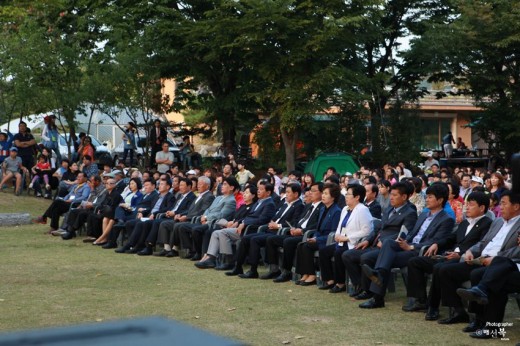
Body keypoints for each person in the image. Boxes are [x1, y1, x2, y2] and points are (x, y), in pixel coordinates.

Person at [359, 183, 454, 309]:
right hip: (407, 245)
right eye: (427, 196)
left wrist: (411, 247)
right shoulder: (424, 215)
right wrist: (403, 242)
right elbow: (411, 234)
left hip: (419, 251)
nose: (426, 199)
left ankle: (377, 295)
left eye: (430, 197)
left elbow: (435, 241)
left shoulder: (446, 219)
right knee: (387, 244)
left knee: (384, 259)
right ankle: (379, 277)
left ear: (440, 200)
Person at [435, 190, 520, 325]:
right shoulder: (498, 222)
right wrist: (470, 251)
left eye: (504, 204)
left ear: (516, 206)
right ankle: (459, 311)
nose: (500, 207)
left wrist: (496, 257)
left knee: (477, 274)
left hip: (500, 263)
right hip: (481, 259)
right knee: (445, 270)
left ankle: (479, 319)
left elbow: (517, 250)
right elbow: (483, 242)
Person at [404, 192, 492, 318]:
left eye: (470, 205)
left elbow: (481, 245)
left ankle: (435, 306)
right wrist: (437, 244)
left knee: (440, 268)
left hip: (464, 259)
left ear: (482, 208)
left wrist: (459, 254)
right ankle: (420, 300)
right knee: (415, 261)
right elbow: (451, 238)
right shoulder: (465, 222)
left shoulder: (486, 224)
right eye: (466, 204)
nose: (466, 207)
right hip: (449, 255)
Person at [342, 182, 418, 300]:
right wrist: (367, 240)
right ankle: (361, 286)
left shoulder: (410, 213)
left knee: (366, 258)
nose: (391, 198)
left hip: (389, 247)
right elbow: (379, 228)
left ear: (404, 197)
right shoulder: (389, 210)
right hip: (375, 243)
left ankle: (368, 291)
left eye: (395, 195)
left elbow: (405, 234)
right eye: (391, 194)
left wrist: (386, 240)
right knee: (348, 255)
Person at [234, 183, 304, 279]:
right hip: (271, 230)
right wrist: (272, 222)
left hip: (281, 232)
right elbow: (275, 217)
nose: (285, 194)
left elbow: (294, 223)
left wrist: (278, 225)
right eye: (285, 192)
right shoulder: (285, 204)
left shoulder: (299, 205)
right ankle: (238, 266)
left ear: (296, 194)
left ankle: (255, 270)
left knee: (255, 240)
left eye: (288, 192)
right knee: (246, 238)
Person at [264, 182, 324, 283]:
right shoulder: (309, 205)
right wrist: (293, 228)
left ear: (322, 193)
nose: (310, 193)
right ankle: (274, 269)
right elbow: (298, 220)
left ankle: (286, 271)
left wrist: (301, 231)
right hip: (296, 231)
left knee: (288, 242)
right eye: (310, 191)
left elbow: (317, 225)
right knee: (271, 239)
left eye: (314, 191)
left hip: (307, 234)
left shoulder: (322, 207)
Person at [318, 184, 373, 293]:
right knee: (324, 251)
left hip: (354, 243)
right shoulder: (345, 209)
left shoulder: (362, 210)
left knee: (339, 253)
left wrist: (347, 238)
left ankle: (341, 283)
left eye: (348, 194)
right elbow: (340, 226)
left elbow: (367, 230)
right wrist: (337, 235)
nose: (346, 196)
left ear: (357, 197)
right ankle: (330, 280)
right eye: (346, 194)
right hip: (342, 241)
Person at [195, 185, 258, 269]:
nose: (244, 195)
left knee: (221, 232)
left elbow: (247, 218)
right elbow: (235, 218)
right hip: (232, 227)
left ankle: (228, 261)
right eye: (244, 193)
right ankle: (211, 258)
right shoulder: (242, 206)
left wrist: (236, 222)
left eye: (247, 193)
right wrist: (230, 222)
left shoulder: (253, 206)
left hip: (242, 230)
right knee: (215, 232)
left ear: (253, 195)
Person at [223, 181, 277, 276]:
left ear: (268, 192)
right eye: (258, 189)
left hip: (256, 228)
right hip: (249, 227)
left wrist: (245, 223)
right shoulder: (258, 202)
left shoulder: (269, 204)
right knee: (245, 239)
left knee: (251, 239)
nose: (258, 191)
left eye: (261, 189)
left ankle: (253, 269)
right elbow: (249, 216)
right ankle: (238, 267)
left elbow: (262, 220)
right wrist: (242, 222)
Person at [175, 177, 238, 259]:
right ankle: (193, 251)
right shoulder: (218, 197)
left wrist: (207, 217)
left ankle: (199, 253)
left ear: (232, 187)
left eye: (225, 184)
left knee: (196, 230)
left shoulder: (231, 201)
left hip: (215, 223)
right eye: (222, 184)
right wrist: (203, 216)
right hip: (206, 221)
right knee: (184, 227)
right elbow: (209, 209)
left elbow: (222, 215)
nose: (222, 186)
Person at [293, 183, 342, 286]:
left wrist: (317, 240)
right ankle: (305, 273)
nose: (323, 196)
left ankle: (312, 275)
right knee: (301, 245)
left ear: (333, 197)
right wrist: (314, 237)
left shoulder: (336, 211)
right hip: (319, 238)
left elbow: (333, 232)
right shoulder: (323, 209)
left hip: (328, 240)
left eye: (326, 194)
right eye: (323, 193)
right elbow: (318, 228)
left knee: (306, 246)